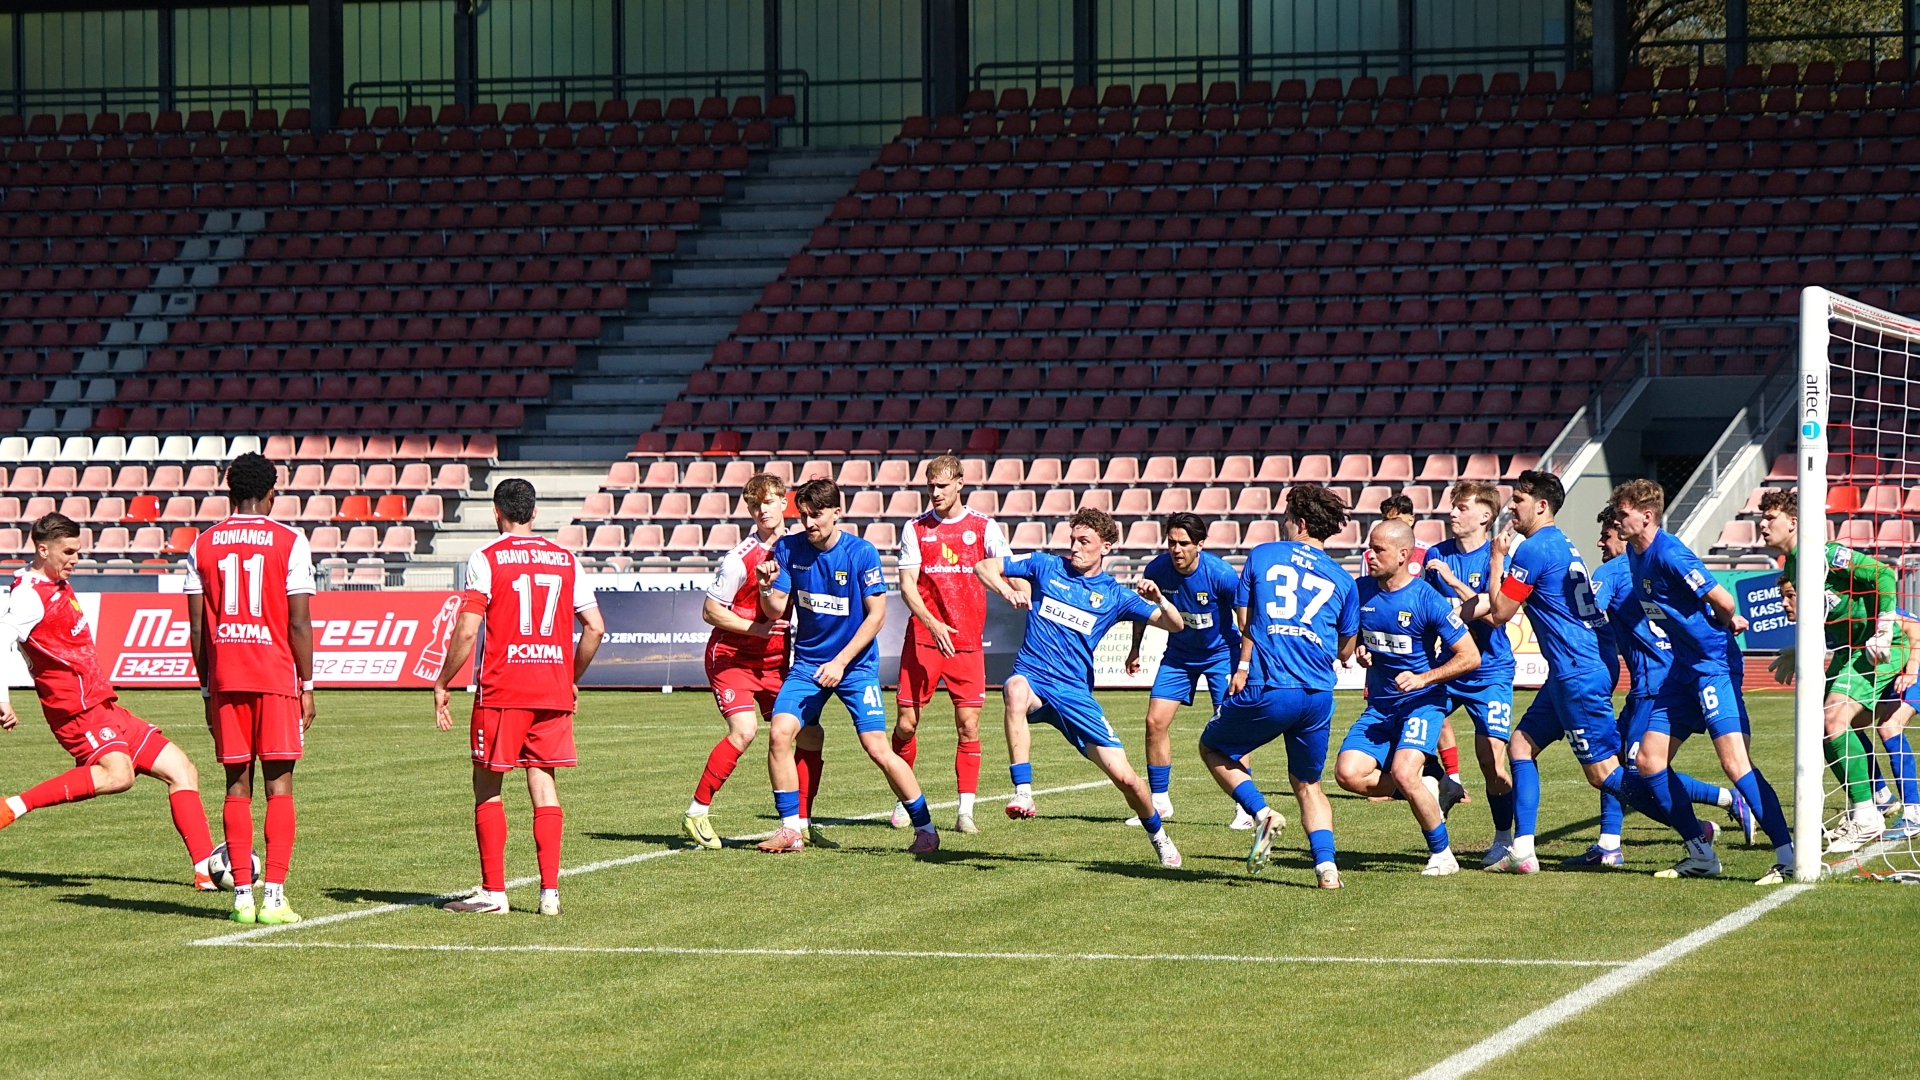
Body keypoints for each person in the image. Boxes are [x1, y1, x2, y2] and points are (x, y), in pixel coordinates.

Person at [1455, 470, 1717, 877]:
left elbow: (1502, 612)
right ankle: (1522, 849)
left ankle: (1696, 836)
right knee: (1521, 745)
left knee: (1605, 775)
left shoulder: (1533, 549)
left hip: (1577, 671)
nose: (1511, 507)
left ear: (1541, 506)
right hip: (1573, 668)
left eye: (1519, 500)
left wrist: (1495, 559)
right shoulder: (1560, 543)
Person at [0, 513, 217, 889]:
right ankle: (13, 806)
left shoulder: (52, 583)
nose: (74, 559)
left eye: (77, 552)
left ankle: (205, 871)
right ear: (42, 549)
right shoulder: (28, 596)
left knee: (183, 770)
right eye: (67, 552)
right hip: (77, 712)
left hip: (103, 706)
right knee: (120, 775)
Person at [975, 507, 1187, 867]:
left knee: (1128, 780)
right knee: (1013, 689)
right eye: (1072, 540)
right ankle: (1023, 792)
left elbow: (1175, 624)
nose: (1074, 547)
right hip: (1035, 678)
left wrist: (1159, 599)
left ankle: (1159, 837)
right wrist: (1006, 591)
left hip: (1075, 694)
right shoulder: (1045, 566)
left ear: (1105, 547)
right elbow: (985, 566)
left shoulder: (1114, 595)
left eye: (1084, 542)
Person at [434, 479, 604, 915]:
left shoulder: (487, 557)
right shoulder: (566, 560)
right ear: (534, 512)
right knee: (543, 782)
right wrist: (569, 676)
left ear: (496, 512)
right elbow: (596, 628)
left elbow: (469, 628)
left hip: (503, 690)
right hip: (550, 688)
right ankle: (550, 894)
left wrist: (442, 682)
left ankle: (494, 893)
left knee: (488, 784)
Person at [1613, 480, 1795, 883]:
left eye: (1622, 512)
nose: (1616, 519)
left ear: (1646, 515)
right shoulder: (1632, 552)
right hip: (1682, 671)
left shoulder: (1671, 553)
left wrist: (1728, 620)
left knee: (1735, 763)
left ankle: (1787, 855)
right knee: (1647, 761)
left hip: (1713, 665)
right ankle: (1700, 851)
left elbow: (1725, 601)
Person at [755, 479, 936, 854]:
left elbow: (877, 616)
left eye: (816, 515)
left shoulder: (861, 553)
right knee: (778, 733)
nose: (808, 523)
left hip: (854, 667)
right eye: (802, 515)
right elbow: (775, 609)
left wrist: (840, 661)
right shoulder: (788, 548)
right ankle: (791, 830)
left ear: (838, 512)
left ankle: (926, 828)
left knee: (877, 748)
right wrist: (764, 587)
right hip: (808, 665)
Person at [1570, 507, 1748, 870]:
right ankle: (1609, 843)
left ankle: (1719, 810)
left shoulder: (1611, 572)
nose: (1601, 542)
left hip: (1655, 686)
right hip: (1667, 677)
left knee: (1640, 769)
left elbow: (1585, 618)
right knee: (1619, 761)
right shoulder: (1650, 567)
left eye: (1606, 535)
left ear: (1622, 534)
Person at [1202, 483, 1359, 887]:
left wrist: (1248, 659)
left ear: (1300, 523)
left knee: (1213, 747)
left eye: (1286, 517)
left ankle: (1260, 812)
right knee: (1308, 783)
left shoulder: (1263, 553)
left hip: (1271, 686)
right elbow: (1346, 650)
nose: (1282, 523)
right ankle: (1327, 869)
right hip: (1317, 694)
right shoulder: (1343, 579)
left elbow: (1244, 621)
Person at [185, 452, 318, 924]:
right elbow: (298, 621)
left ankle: (242, 894)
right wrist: (307, 683)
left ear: (228, 491)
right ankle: (275, 898)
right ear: (272, 494)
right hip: (275, 675)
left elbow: (198, 631)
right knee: (279, 784)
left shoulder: (202, 544)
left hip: (227, 679)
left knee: (235, 784)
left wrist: (206, 690)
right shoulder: (290, 540)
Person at [682, 472, 832, 850]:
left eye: (769, 501)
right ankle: (696, 813)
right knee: (745, 730)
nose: (762, 509)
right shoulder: (739, 559)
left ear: (785, 503)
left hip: (778, 662)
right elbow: (710, 611)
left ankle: (801, 823)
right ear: (748, 510)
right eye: (755, 504)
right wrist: (756, 629)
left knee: (810, 733)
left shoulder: (801, 548)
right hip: (732, 657)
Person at [1762, 489, 1907, 852]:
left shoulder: (1824, 554)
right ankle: (1875, 800)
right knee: (1821, 728)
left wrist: (1885, 629)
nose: (1762, 526)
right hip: (1847, 650)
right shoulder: (1792, 565)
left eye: (1770, 519)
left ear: (1793, 523)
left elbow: (1884, 574)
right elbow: (1826, 612)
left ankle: (1866, 816)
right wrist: (1798, 648)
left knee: (1833, 720)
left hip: (1877, 649)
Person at [1334, 520, 1480, 876]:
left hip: (1422, 703)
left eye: (1379, 550)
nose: (1370, 555)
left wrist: (1423, 678)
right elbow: (1347, 651)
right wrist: (1363, 651)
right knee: (1347, 774)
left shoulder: (1424, 598)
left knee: (1403, 771)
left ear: (1402, 555)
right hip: (1381, 705)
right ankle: (1431, 785)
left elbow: (1470, 656)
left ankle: (1442, 855)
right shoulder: (1360, 590)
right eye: (1369, 547)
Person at [889, 454, 1011, 835]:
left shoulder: (984, 528)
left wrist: (1010, 590)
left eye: (943, 485)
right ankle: (903, 797)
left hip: (967, 642)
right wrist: (931, 622)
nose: (936, 493)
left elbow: (1003, 569)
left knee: (969, 725)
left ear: (960, 483)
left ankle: (965, 813)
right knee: (907, 724)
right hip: (924, 639)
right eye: (930, 486)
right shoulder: (915, 529)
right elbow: (908, 586)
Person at [1123, 511, 1241, 827]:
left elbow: (1246, 619)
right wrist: (1135, 648)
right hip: (1178, 655)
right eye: (1171, 542)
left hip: (1221, 655)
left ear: (1200, 544)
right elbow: (1141, 612)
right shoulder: (1157, 570)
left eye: (1184, 543)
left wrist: (1244, 665)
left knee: (1230, 729)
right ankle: (1159, 803)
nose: (1176, 550)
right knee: (1154, 722)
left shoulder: (1222, 574)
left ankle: (1244, 808)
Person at [1423, 480, 1518, 862]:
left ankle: (1503, 838)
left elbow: (1495, 614)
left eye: (1462, 507)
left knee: (1492, 762)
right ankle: (1445, 784)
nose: (1452, 513)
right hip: (1447, 668)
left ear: (1486, 516)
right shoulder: (1436, 554)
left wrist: (1452, 582)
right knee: (1404, 744)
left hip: (1490, 671)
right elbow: (1425, 610)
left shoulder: (1499, 558)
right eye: (1453, 506)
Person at [1870, 607, 1920, 840]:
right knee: (1843, 723)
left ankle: (1913, 814)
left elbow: (1915, 628)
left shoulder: (1869, 604)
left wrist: (1911, 671)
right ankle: (1882, 796)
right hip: (1893, 671)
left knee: (1889, 727)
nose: (1784, 603)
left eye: (1789, 596)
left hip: (1914, 665)